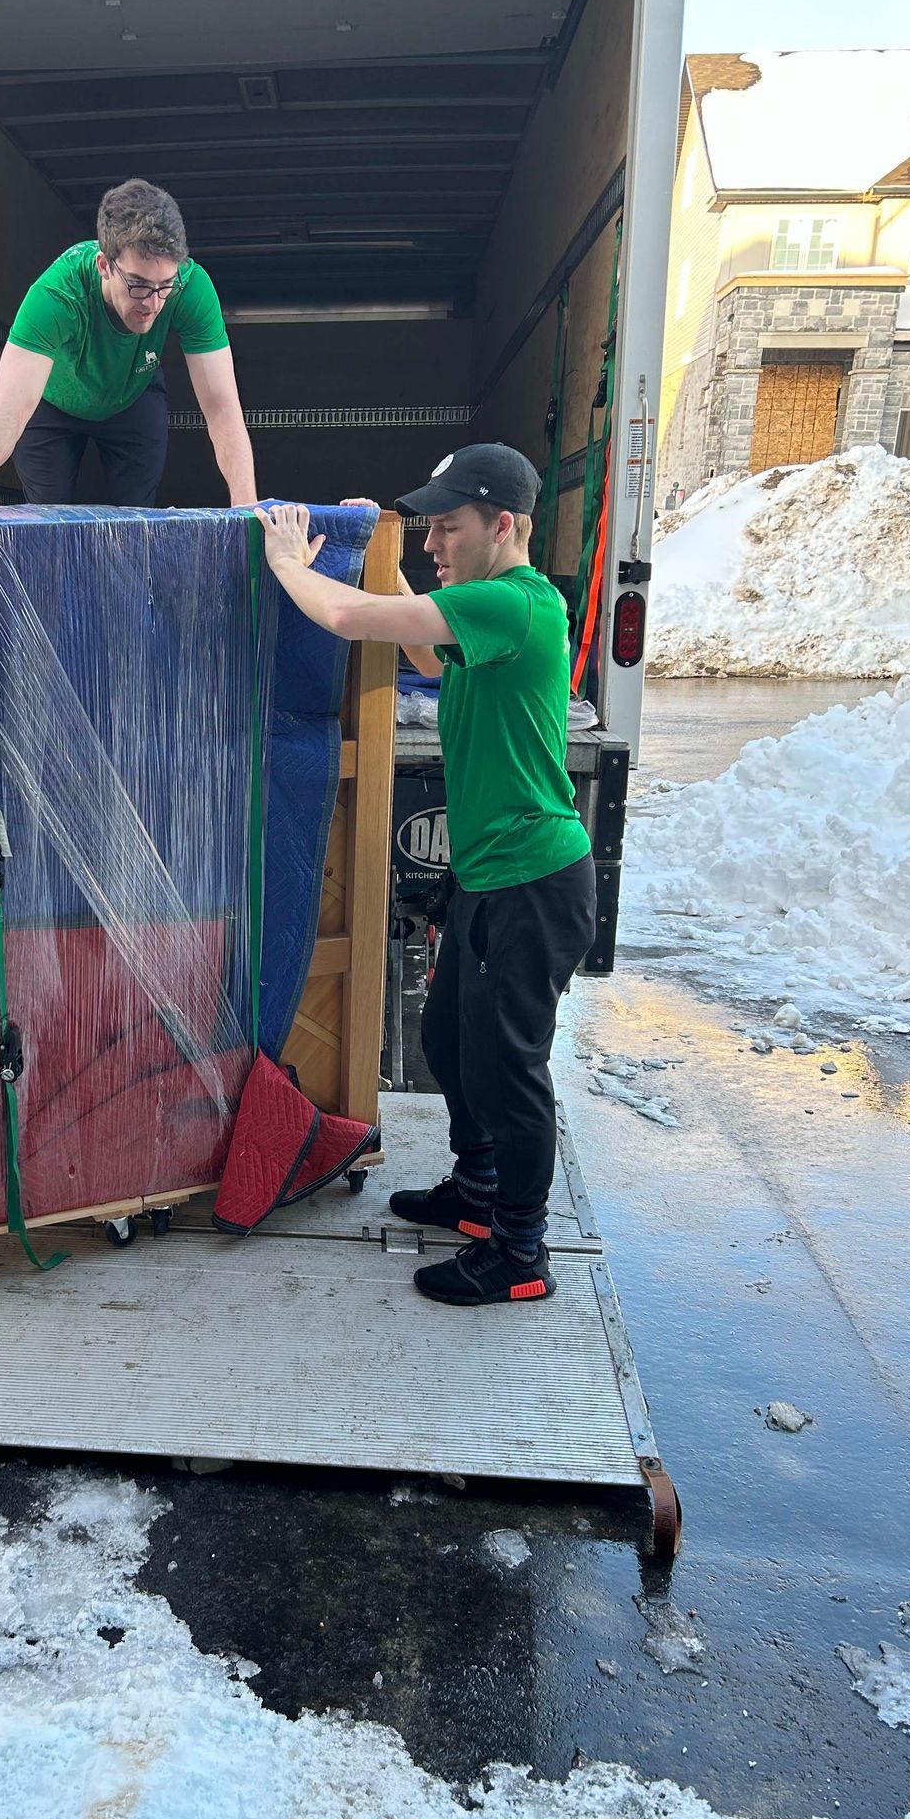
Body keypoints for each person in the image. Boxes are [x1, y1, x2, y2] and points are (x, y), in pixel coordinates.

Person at [256, 443, 596, 1309]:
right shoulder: (495, 614)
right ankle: (476, 1196)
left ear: (504, 525)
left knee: (508, 1072)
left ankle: (519, 1253)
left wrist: (290, 563)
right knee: (449, 1043)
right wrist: (395, 563)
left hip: (531, 881)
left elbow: (346, 620)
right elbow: (431, 655)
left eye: (448, 526)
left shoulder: (514, 604)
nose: (435, 541)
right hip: (491, 876)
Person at [0, 179, 256, 510]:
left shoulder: (190, 288)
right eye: (138, 285)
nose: (153, 303)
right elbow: (11, 407)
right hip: (52, 402)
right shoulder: (57, 295)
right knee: (46, 517)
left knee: (138, 519)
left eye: (165, 286)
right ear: (104, 265)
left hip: (133, 394)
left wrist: (246, 504)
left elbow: (221, 405)